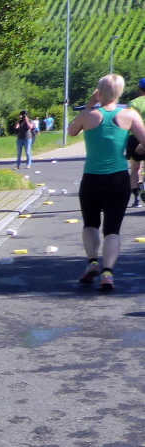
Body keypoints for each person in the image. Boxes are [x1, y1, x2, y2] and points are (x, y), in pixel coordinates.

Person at [68, 74, 145, 290]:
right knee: (112, 229)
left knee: (90, 223)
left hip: (92, 177)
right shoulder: (129, 115)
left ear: (99, 92)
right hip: (118, 178)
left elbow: (71, 131)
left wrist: (90, 104)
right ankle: (108, 272)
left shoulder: (87, 115)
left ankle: (92, 261)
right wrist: (139, 148)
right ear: (120, 93)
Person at [125, 78, 145, 207]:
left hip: (135, 137)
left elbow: (127, 122)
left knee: (135, 169)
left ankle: (136, 198)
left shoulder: (133, 103)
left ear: (139, 89)